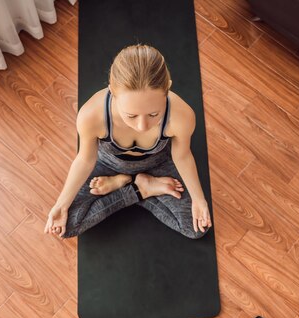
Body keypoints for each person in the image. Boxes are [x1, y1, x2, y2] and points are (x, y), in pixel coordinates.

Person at [44, 44, 212, 239]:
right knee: (66, 225)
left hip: (158, 163)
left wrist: (199, 200)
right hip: (108, 165)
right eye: (131, 115)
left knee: (196, 228)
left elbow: (182, 156)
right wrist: (61, 205)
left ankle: (139, 186)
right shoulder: (91, 115)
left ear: (167, 89)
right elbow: (85, 160)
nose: (142, 126)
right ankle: (138, 187)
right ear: (112, 93)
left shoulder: (182, 115)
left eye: (153, 114)